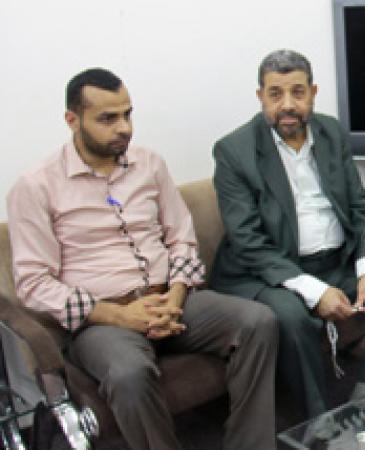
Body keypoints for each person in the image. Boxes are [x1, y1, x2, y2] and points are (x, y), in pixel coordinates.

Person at [6, 68, 278, 450]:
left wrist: (176, 296)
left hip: (171, 299)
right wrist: (121, 315)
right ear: (72, 120)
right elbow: (34, 284)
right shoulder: (36, 186)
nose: (124, 128)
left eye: (127, 114)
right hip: (102, 320)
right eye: (108, 118)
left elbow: (182, 237)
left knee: (258, 321)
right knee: (129, 373)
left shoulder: (149, 164)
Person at [210, 49, 365, 418]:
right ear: (260, 96)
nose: (287, 105)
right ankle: (317, 422)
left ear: (313, 93)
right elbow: (248, 242)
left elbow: (360, 207)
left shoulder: (330, 132)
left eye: (298, 92)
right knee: (291, 316)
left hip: (335, 261)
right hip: (270, 271)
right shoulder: (234, 151)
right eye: (275, 94)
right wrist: (315, 292)